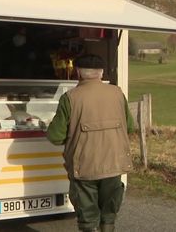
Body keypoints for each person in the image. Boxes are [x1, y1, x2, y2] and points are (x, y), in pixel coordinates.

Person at [47, 54, 134, 232]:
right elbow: (130, 127)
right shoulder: (117, 93)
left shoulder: (69, 98)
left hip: (84, 167)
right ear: (101, 73)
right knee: (109, 214)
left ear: (78, 72)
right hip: (114, 163)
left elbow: (55, 136)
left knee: (87, 217)